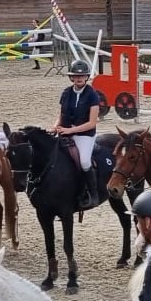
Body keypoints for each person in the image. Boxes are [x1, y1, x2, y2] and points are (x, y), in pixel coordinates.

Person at [51, 59, 101, 208]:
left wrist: (71, 130)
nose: (79, 78)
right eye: (76, 76)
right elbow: (61, 115)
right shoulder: (66, 92)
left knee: (85, 161)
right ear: (71, 77)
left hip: (85, 135)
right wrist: (55, 127)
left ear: (86, 77)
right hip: (66, 131)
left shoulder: (93, 95)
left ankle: (93, 195)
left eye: (82, 76)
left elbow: (92, 123)